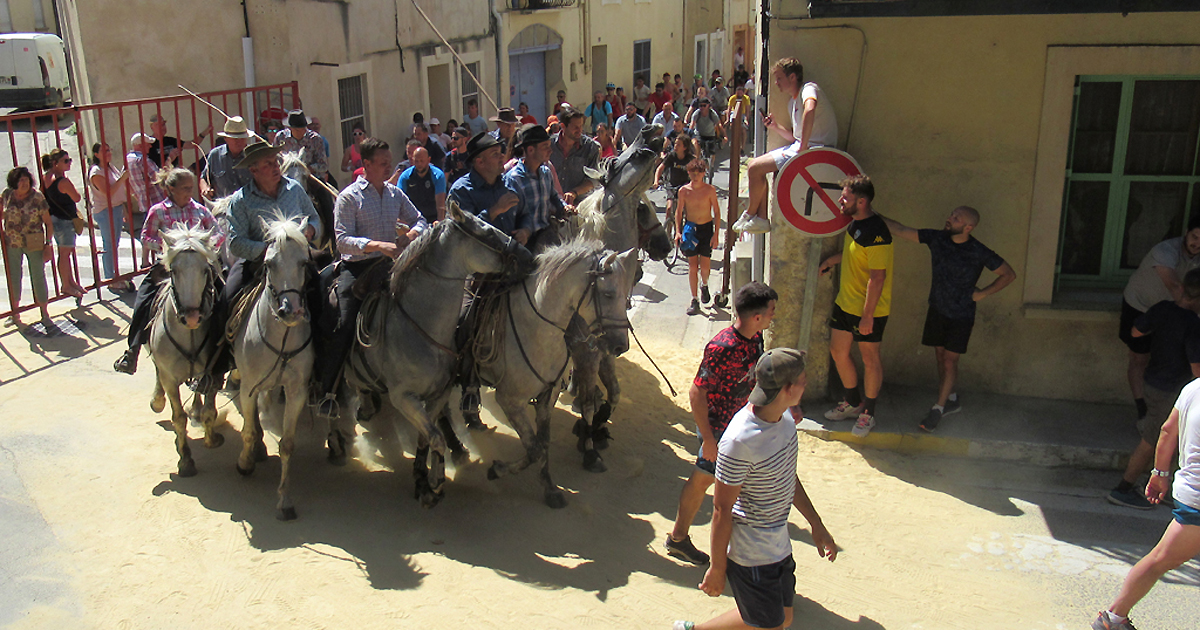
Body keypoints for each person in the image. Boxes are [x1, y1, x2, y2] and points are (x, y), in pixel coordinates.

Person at [677, 348, 838, 630]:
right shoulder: (739, 441)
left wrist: (817, 524)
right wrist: (717, 568)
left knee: (783, 617)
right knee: (771, 625)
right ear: (787, 389)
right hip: (751, 556)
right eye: (803, 380)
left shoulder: (785, 420)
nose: (806, 384)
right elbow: (721, 509)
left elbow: (787, 476)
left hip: (779, 546)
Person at [664, 281, 778, 566]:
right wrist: (708, 439)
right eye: (771, 311)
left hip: (743, 427)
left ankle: (684, 540)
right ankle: (679, 539)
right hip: (719, 431)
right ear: (757, 317)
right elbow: (696, 393)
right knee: (704, 480)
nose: (773, 316)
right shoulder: (722, 347)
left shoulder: (756, 338)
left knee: (732, 485)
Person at [313, 138, 427, 417]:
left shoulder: (395, 194)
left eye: (390, 161)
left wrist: (410, 235)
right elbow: (342, 240)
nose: (390, 167)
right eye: (384, 163)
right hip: (358, 269)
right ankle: (328, 390)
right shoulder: (349, 197)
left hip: (391, 266)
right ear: (366, 164)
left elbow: (421, 220)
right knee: (344, 323)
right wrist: (377, 245)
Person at [883, 207, 1017, 431]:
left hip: (961, 315)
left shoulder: (978, 250)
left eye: (956, 218)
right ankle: (951, 398)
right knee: (940, 356)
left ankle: (938, 408)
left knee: (949, 361)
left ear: (968, 227)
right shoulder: (937, 239)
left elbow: (1008, 274)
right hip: (937, 309)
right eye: (951, 215)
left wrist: (982, 293)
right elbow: (901, 230)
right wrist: (871, 213)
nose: (949, 219)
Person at [1091, 375, 1200, 630]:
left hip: (1191, 496)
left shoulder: (1193, 387)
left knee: (1159, 559)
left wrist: (1159, 473)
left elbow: (1167, 429)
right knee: (1162, 559)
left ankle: (1113, 619)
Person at [448, 132, 526, 432]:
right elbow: (459, 232)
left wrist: (525, 230)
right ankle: (469, 389)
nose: (501, 157)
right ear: (479, 162)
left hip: (511, 262)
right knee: (467, 320)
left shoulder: (508, 183)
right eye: (495, 154)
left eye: (500, 152)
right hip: (476, 269)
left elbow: (524, 214)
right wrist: (494, 211)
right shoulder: (461, 190)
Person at [113, 169, 224, 375]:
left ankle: (225, 351)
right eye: (185, 188)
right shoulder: (158, 211)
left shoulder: (200, 210)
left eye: (191, 188)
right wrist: (168, 248)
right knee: (143, 300)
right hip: (167, 267)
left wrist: (204, 246)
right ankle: (133, 350)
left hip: (198, 267)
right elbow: (146, 237)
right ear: (171, 189)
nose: (190, 192)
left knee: (224, 297)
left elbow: (218, 233)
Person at [1106, 268, 1200, 510]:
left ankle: (1167, 489)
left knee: (1172, 437)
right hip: (1170, 390)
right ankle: (1123, 488)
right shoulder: (1193, 324)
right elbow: (1197, 370)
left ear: (1182, 288)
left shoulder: (1162, 308)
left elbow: (1136, 331)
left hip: (1151, 381)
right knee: (1152, 440)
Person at [219, 141, 322, 350]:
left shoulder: (295, 189)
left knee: (324, 294)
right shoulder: (240, 200)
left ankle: (323, 353)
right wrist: (269, 251)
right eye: (268, 164)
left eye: (276, 162)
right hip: (258, 263)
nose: (276, 167)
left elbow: (314, 218)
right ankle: (220, 358)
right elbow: (235, 242)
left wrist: (311, 229)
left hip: (298, 259)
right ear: (253, 170)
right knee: (226, 299)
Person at [818, 175, 891, 438]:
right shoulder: (855, 223)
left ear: (861, 202)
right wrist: (831, 261)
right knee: (838, 351)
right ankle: (852, 402)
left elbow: (877, 277)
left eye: (845, 197)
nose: (840, 200)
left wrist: (867, 316)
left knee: (870, 360)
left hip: (868, 310)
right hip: (845, 304)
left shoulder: (877, 232)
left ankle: (868, 413)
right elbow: (854, 255)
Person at [736, 57, 837, 234]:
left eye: (779, 78)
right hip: (799, 147)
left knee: (755, 168)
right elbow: (794, 137)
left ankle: (750, 214)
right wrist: (775, 127)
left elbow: (810, 109)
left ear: (792, 77)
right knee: (755, 167)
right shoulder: (792, 102)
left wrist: (803, 147)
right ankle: (760, 218)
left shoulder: (809, 89)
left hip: (816, 150)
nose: (776, 83)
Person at [1121, 222, 1200, 421]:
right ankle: (1142, 410)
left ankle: (1157, 413)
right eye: (1195, 237)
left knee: (1171, 358)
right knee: (1139, 358)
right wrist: (1192, 317)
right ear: (1186, 233)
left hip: (1172, 312)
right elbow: (1174, 286)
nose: (1197, 243)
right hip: (1142, 306)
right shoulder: (1165, 251)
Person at [504, 124, 571, 250]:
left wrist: (564, 207)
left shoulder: (546, 173)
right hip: (526, 242)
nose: (550, 150)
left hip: (547, 235)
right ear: (530, 150)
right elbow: (509, 218)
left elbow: (553, 197)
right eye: (545, 147)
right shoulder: (514, 179)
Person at [2, 166, 53, 326]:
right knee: (14, 277)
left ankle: (44, 312)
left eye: (26, 179)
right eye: (20, 180)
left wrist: (48, 244)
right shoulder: (7, 195)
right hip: (12, 242)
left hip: (34, 242)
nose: (24, 183)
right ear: (14, 182)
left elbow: (48, 223)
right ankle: (15, 313)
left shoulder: (37, 197)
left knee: (38, 276)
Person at [676, 159, 720, 316]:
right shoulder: (683, 191)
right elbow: (679, 212)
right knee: (693, 266)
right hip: (691, 229)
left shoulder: (710, 190)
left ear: (703, 174)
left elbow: (717, 212)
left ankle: (705, 284)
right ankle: (694, 299)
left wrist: (716, 234)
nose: (695, 176)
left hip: (706, 228)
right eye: (692, 173)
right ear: (688, 173)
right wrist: (678, 231)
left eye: (698, 173)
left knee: (705, 265)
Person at [40, 148, 85, 299]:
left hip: (53, 218)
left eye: (69, 160)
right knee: (65, 254)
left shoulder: (45, 178)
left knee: (65, 253)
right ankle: (66, 285)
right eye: (65, 161)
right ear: (55, 163)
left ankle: (71, 282)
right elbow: (77, 197)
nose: (69, 163)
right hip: (65, 220)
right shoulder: (63, 181)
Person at [88, 142, 131, 291]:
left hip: (116, 208)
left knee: (114, 244)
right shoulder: (96, 172)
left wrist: (124, 209)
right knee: (109, 245)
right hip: (105, 211)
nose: (108, 153)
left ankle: (114, 274)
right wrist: (123, 178)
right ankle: (110, 278)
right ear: (96, 154)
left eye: (109, 150)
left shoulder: (110, 167)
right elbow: (108, 192)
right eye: (104, 151)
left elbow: (118, 192)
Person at [126, 132, 166, 269]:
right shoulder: (144, 161)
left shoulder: (127, 160)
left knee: (147, 230)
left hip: (143, 201)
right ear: (139, 145)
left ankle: (145, 260)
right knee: (162, 230)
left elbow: (126, 181)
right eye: (147, 144)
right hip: (156, 199)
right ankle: (162, 259)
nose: (149, 146)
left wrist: (137, 194)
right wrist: (168, 163)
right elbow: (159, 178)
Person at [548, 105, 601, 204]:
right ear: (563, 126)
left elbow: (594, 179)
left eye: (581, 126)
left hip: (580, 204)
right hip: (553, 203)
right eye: (575, 127)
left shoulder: (590, 147)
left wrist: (574, 193)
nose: (579, 130)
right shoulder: (549, 146)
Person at [201, 116, 254, 200]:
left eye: (242, 138)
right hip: (222, 204)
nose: (239, 142)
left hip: (249, 203)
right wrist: (205, 189)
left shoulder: (253, 155)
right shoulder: (215, 155)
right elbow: (204, 178)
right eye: (235, 139)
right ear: (226, 139)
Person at [273, 109, 330, 182]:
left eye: (303, 129)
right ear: (290, 128)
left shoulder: (315, 139)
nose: (301, 132)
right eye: (297, 130)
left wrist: (307, 169)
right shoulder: (280, 137)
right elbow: (274, 158)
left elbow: (323, 165)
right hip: (285, 176)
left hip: (311, 178)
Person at [396, 147, 447, 224]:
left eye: (422, 161)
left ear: (428, 160)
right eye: (416, 161)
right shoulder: (405, 177)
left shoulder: (437, 175)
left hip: (433, 218)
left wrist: (440, 223)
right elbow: (398, 200)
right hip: (413, 220)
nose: (419, 164)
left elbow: (440, 204)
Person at [689, 98, 724, 173]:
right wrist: (689, 135)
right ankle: (697, 161)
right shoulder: (697, 113)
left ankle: (711, 166)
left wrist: (724, 136)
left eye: (704, 105)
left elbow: (719, 124)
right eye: (700, 106)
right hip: (699, 134)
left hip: (710, 134)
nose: (702, 108)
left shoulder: (712, 114)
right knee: (697, 144)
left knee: (712, 152)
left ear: (708, 106)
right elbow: (692, 124)